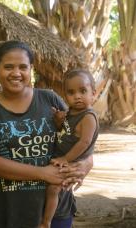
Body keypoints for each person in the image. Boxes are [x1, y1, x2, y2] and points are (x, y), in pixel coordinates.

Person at [0, 40, 93, 228]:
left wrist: (84, 166)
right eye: (8, 67)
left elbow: (83, 140)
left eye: (23, 67)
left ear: (31, 69)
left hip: (55, 210)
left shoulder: (49, 99)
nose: (16, 73)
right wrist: (43, 173)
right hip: (10, 211)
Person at [41, 69, 99, 228]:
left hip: (73, 161)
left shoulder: (88, 116)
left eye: (83, 91)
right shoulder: (71, 113)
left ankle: (46, 222)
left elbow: (84, 142)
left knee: (53, 189)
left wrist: (65, 159)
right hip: (64, 158)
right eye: (71, 93)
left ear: (93, 94)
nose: (77, 96)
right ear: (65, 96)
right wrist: (59, 122)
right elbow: (66, 132)